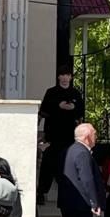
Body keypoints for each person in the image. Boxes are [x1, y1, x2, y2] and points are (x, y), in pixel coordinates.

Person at [37, 67, 84, 203]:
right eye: (62, 75)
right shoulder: (51, 92)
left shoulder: (75, 93)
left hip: (69, 136)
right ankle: (41, 192)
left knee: (68, 165)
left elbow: (80, 114)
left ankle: (69, 192)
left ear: (71, 77)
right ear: (58, 77)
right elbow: (44, 111)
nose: (64, 78)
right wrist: (59, 106)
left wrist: (73, 108)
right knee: (48, 164)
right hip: (53, 136)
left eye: (67, 75)